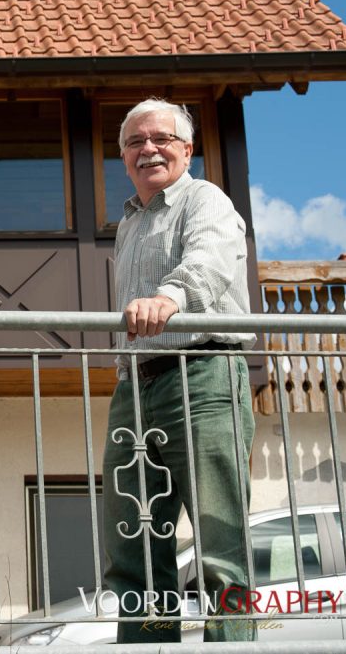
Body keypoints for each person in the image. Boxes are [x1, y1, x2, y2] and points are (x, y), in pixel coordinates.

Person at [101, 98, 256, 643]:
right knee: (132, 544)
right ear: (123, 158)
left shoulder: (205, 199)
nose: (149, 149)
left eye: (161, 138)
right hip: (136, 387)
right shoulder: (129, 223)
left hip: (204, 375)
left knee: (219, 545)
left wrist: (169, 295)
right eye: (136, 142)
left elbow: (210, 259)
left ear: (187, 149)